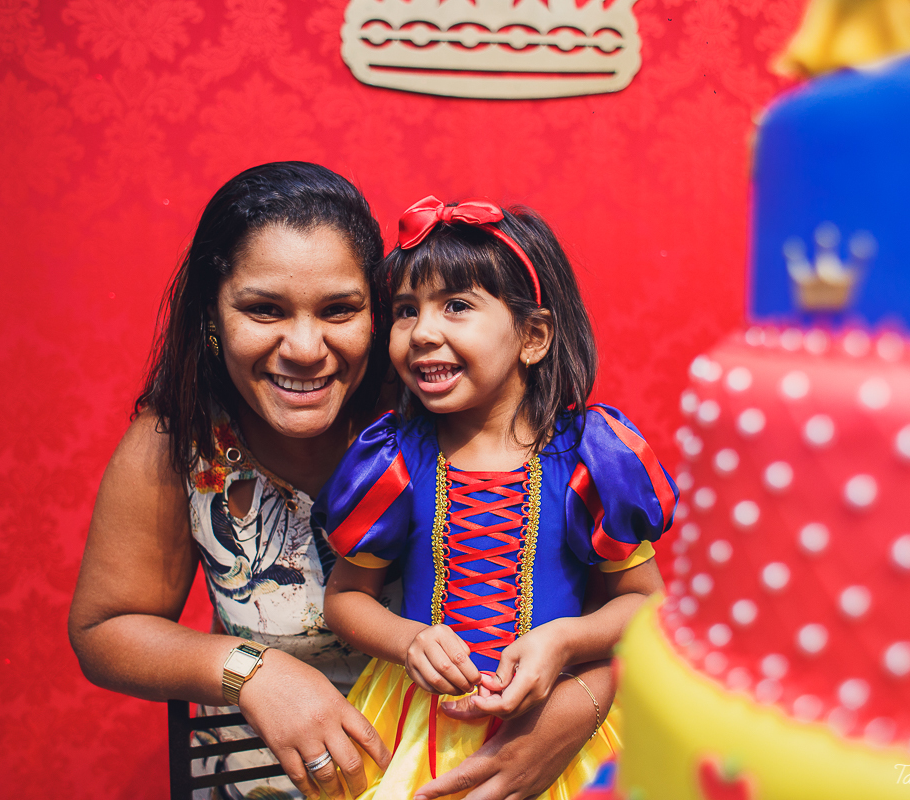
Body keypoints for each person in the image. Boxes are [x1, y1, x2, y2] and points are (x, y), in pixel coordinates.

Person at [68, 163, 621, 800]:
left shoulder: (438, 409)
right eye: (264, 310)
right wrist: (254, 674)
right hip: (267, 780)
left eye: (339, 310)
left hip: (495, 765)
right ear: (212, 315)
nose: (305, 347)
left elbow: (626, 601)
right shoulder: (179, 441)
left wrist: (584, 703)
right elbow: (104, 630)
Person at [316, 197, 676, 799]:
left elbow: (645, 604)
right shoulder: (393, 460)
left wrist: (564, 640)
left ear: (532, 336)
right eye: (406, 311)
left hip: (564, 726)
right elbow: (347, 599)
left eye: (456, 306)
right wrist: (408, 640)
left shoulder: (592, 457)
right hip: (417, 726)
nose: (423, 332)